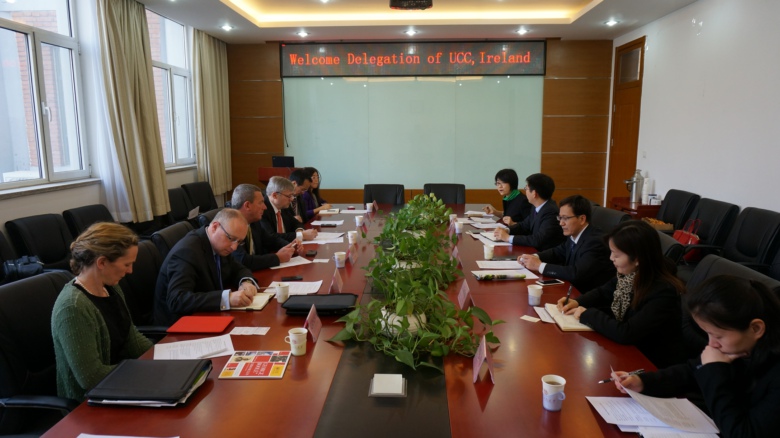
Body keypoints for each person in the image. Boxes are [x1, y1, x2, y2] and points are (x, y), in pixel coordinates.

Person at [613, 275, 780, 437]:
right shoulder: (739, 347)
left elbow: (743, 433)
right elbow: (692, 370)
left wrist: (714, 371)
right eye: (708, 334)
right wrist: (644, 382)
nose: (711, 344)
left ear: (756, 329)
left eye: (718, 336)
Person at [557, 220, 686, 368]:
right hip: (628, 352)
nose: (611, 258)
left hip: (651, 362)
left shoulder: (663, 291)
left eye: (616, 255)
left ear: (637, 259)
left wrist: (587, 314)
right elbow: (603, 292)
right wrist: (578, 302)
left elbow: (627, 333)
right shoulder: (630, 274)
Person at [51, 222, 153, 401]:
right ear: (102, 262)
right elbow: (91, 377)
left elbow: (131, 338)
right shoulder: (72, 307)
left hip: (120, 382)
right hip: (89, 402)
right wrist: (142, 370)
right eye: (127, 264)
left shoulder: (111, 287)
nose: (130, 271)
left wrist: (162, 357)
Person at [154, 208, 259, 326]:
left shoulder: (220, 245)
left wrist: (246, 282)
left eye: (239, 242)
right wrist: (227, 298)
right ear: (215, 227)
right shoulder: (187, 252)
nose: (234, 247)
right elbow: (177, 300)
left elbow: (238, 268)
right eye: (231, 238)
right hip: (180, 325)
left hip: (209, 316)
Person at [519, 195, 614, 293]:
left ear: (582, 219)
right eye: (560, 218)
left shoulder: (595, 241)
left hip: (585, 295)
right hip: (571, 289)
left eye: (565, 218)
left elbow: (576, 273)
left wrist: (539, 266)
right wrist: (533, 257)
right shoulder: (575, 233)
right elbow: (557, 252)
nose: (561, 223)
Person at [230, 183, 297, 271]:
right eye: (261, 203)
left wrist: (291, 246)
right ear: (247, 205)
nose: (265, 207)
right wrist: (277, 257)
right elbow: (243, 260)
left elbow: (271, 240)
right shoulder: (230, 226)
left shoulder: (254, 222)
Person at [493, 173, 565, 251]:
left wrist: (508, 238)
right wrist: (507, 230)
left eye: (526, 188)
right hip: (534, 250)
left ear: (534, 193)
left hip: (544, 254)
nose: (525, 191)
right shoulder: (536, 206)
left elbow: (538, 239)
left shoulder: (551, 212)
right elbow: (524, 225)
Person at [260, 176, 318, 243]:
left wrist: (299, 231)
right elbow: (271, 236)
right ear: (275, 195)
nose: (292, 199)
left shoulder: (283, 206)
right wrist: (301, 235)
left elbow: (296, 223)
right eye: (289, 196)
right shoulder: (262, 209)